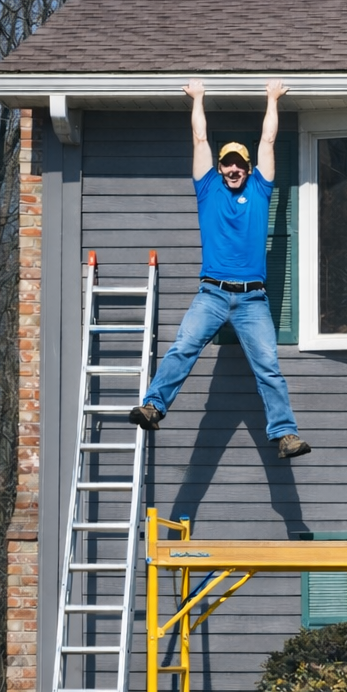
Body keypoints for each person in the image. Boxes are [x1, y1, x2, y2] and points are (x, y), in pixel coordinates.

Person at [129, 78, 310, 459]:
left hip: (253, 299)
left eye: (238, 164)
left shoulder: (260, 189)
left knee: (269, 367)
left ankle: (285, 434)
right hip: (212, 293)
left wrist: (272, 99)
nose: (232, 168)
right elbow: (199, 140)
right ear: (220, 166)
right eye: (226, 162)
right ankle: (153, 407)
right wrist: (198, 99)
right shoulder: (207, 188)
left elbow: (268, 142)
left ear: (247, 168)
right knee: (183, 348)